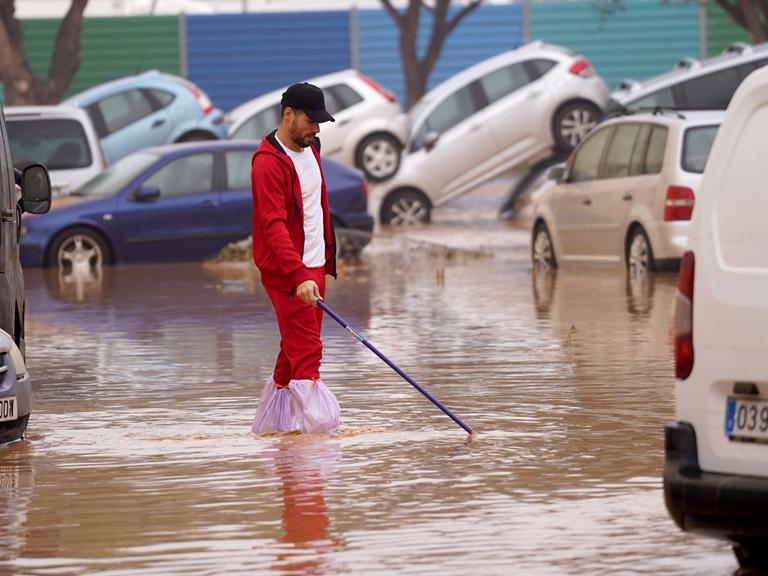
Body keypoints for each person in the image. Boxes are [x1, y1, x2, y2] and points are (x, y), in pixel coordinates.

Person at [250, 82, 340, 434]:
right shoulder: (267, 164)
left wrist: (320, 265)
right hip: (291, 274)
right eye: (311, 120)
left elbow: (315, 209)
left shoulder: (311, 146)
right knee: (307, 355)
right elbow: (273, 227)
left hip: (314, 267)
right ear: (288, 114)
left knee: (292, 355)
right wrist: (298, 275)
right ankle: (318, 454)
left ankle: (275, 435)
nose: (316, 129)